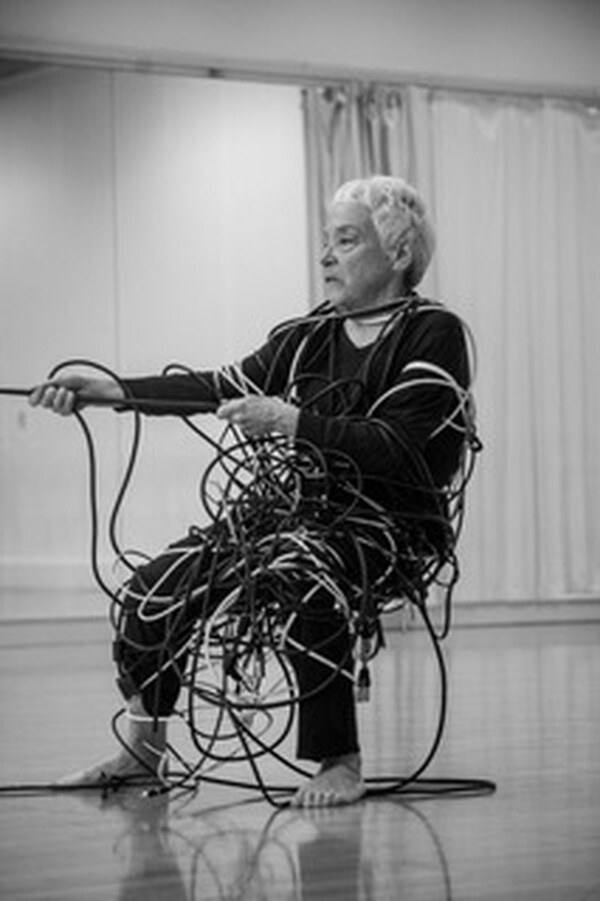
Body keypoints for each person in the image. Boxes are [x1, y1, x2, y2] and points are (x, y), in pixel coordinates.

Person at [30, 175, 473, 808]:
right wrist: (111, 391)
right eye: (326, 240)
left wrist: (293, 422)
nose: (326, 256)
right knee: (153, 589)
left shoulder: (434, 332)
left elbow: (402, 447)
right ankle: (143, 752)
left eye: (346, 241)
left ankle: (339, 762)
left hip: (390, 527)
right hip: (299, 514)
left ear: (399, 254)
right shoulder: (309, 335)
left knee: (305, 572)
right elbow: (220, 385)